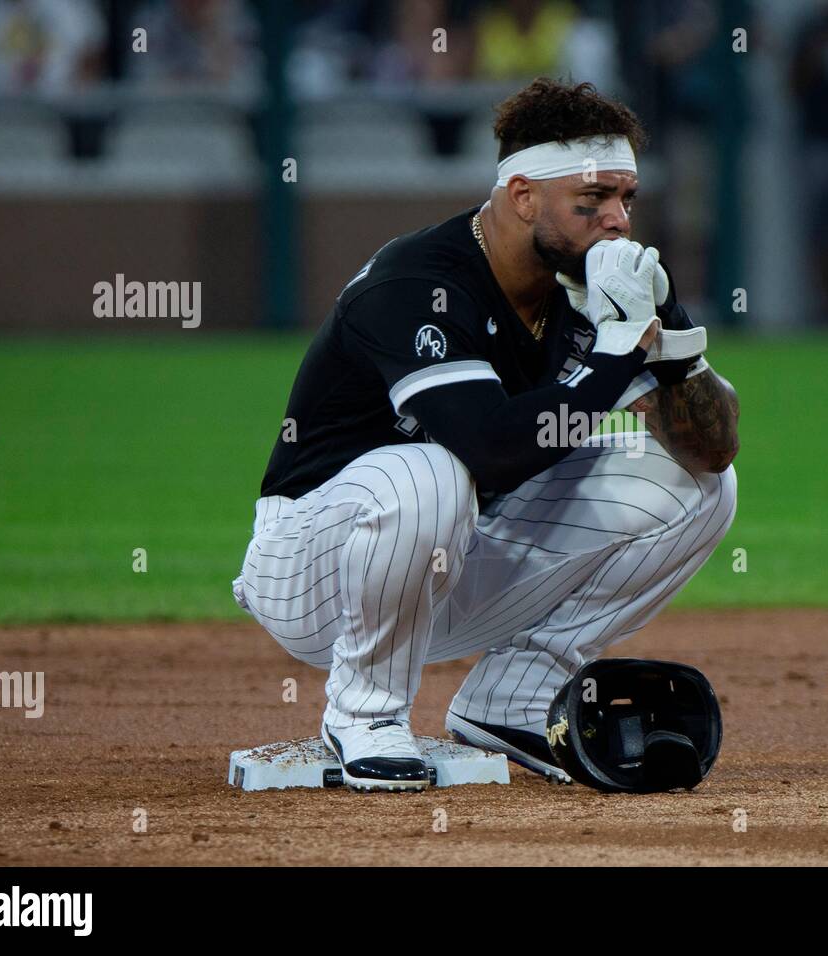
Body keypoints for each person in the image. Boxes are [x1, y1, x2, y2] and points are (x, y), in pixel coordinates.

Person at [232, 78, 739, 792]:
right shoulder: (418, 283)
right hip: (313, 570)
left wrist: (673, 340)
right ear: (523, 196)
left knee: (697, 485)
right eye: (591, 203)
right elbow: (490, 445)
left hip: (449, 560)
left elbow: (712, 446)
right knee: (426, 473)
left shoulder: (594, 290)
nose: (618, 222)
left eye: (625, 199)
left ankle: (513, 700)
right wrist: (614, 355)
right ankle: (366, 715)